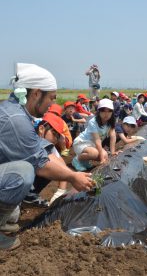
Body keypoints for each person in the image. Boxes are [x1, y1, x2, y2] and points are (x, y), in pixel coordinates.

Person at [0, 63, 93, 250]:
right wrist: (73, 176)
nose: (52, 103)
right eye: (50, 97)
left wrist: (66, 173)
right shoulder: (16, 119)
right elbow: (41, 164)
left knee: (41, 162)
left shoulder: (19, 112)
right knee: (24, 172)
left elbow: (45, 149)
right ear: (36, 93)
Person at [72, 99, 117, 171]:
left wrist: (113, 152)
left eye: (109, 111)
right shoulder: (93, 122)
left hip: (92, 144)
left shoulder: (110, 122)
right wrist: (101, 159)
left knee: (105, 155)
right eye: (103, 110)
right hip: (82, 142)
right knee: (95, 154)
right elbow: (97, 140)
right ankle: (77, 159)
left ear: (112, 112)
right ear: (99, 111)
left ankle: (85, 161)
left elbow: (113, 136)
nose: (106, 113)